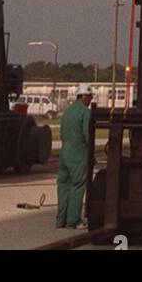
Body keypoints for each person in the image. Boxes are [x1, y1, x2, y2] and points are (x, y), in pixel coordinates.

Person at [55, 84, 93, 229]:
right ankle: (73, 220)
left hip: (65, 154)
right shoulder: (85, 112)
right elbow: (87, 134)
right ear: (84, 97)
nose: (90, 101)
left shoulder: (67, 112)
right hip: (78, 154)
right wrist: (91, 154)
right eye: (90, 97)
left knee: (63, 186)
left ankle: (60, 220)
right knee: (77, 185)